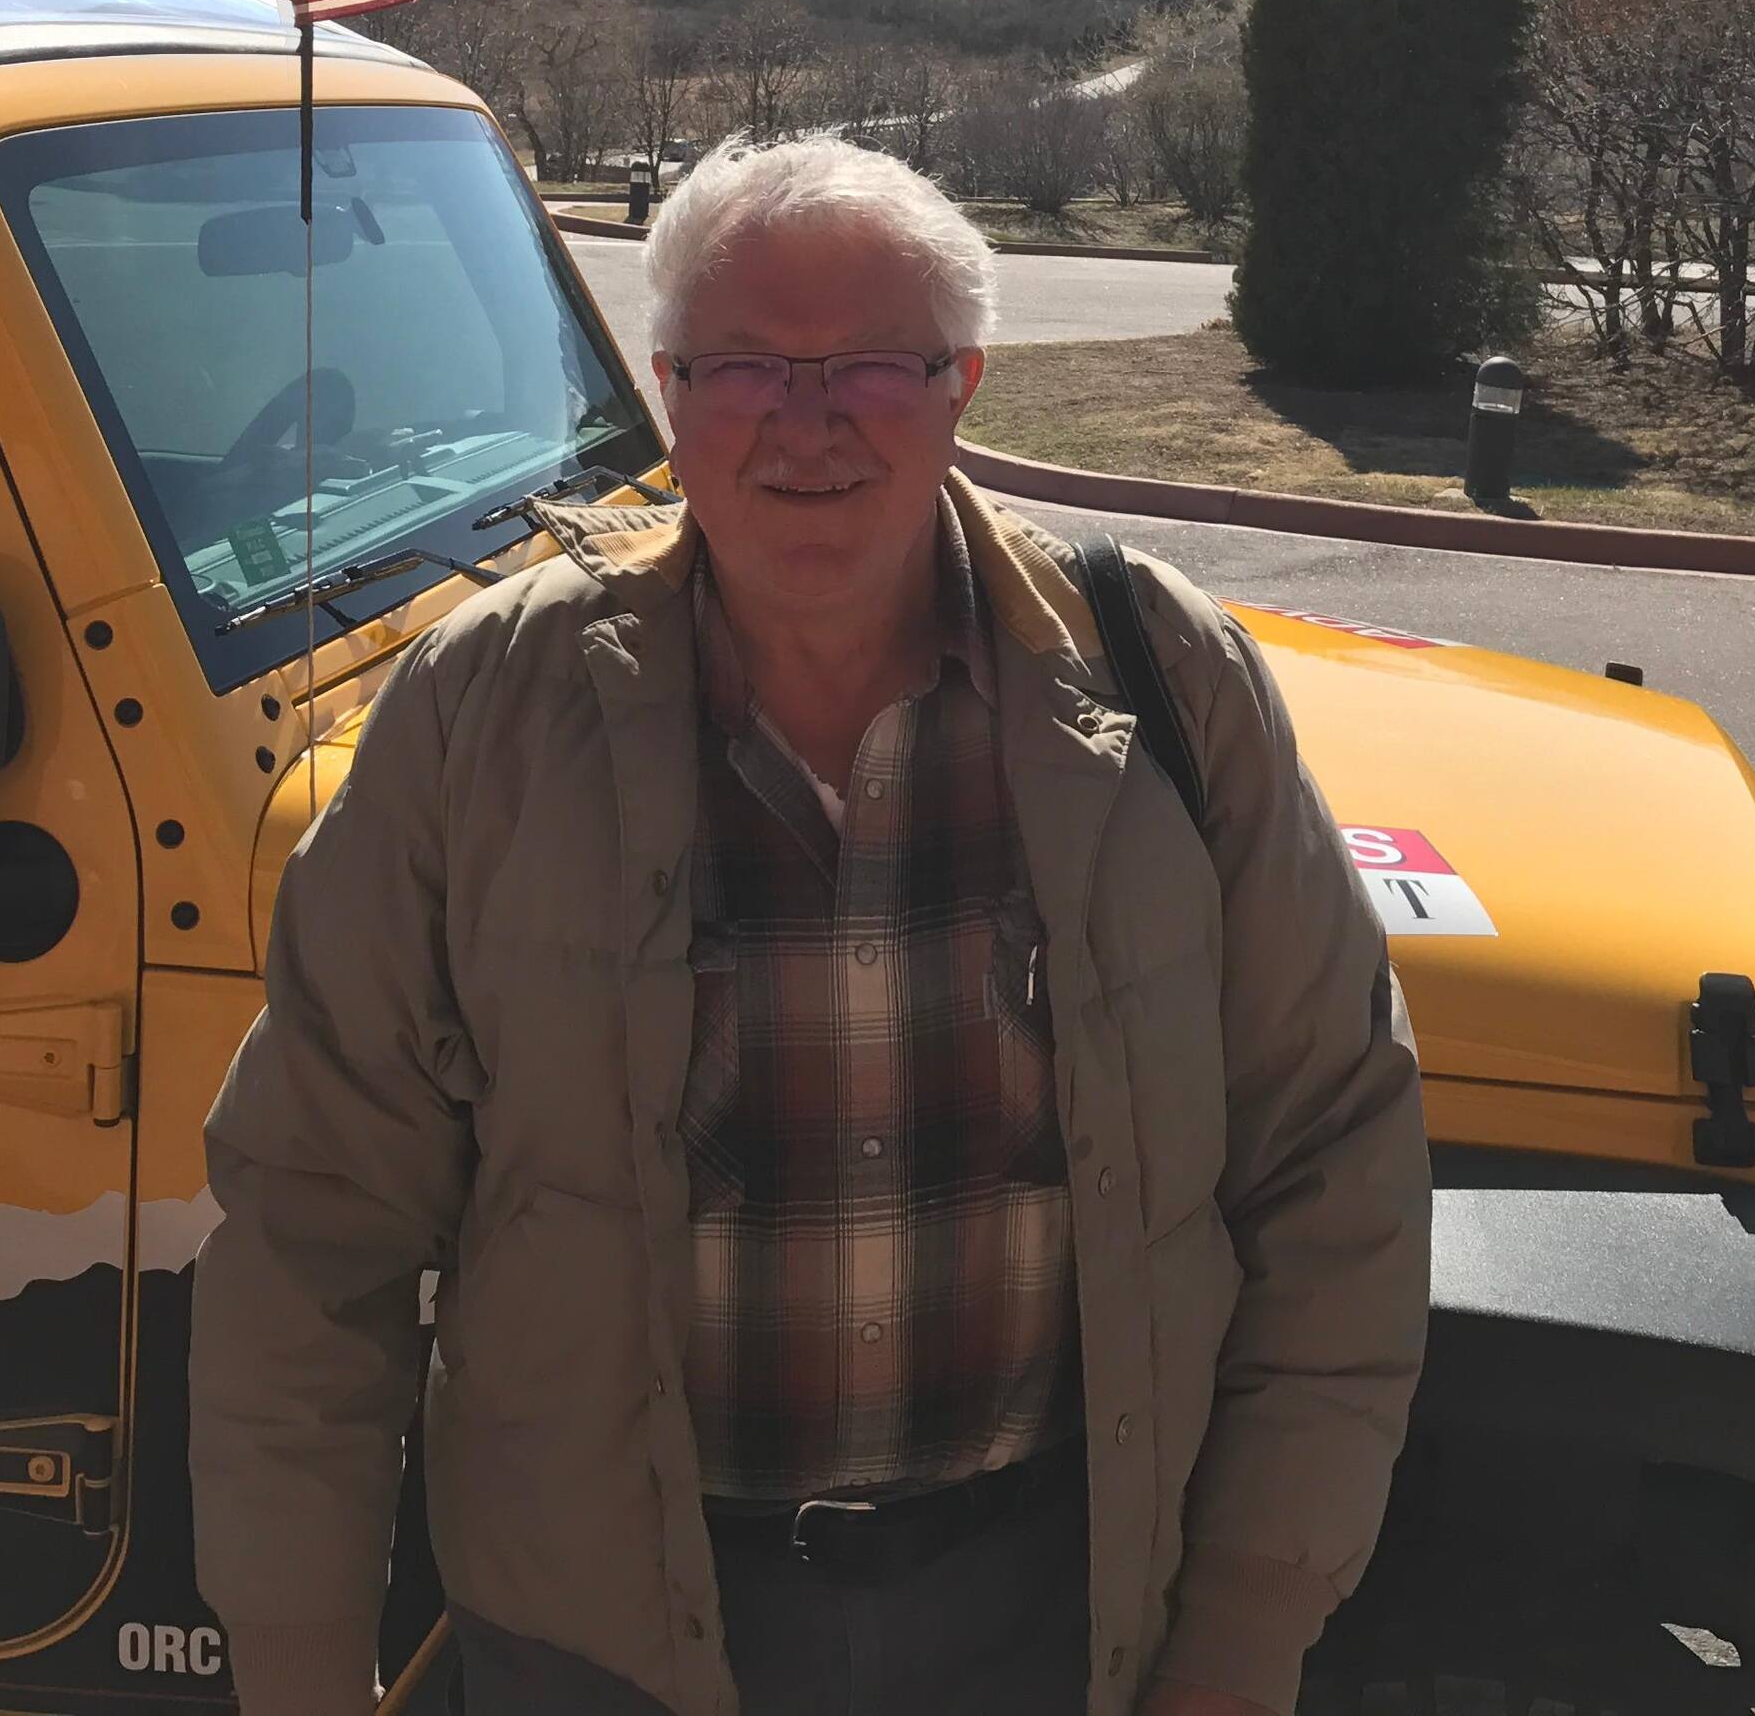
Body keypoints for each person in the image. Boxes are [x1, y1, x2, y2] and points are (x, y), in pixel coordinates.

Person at [192, 132, 1428, 1716]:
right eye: (747, 370)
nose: (807, 424)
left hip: (1058, 1619)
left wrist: (1247, 1631)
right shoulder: (487, 711)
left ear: (966, 381)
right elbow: (314, 1224)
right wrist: (299, 1664)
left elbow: (1336, 1163)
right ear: (669, 389)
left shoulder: (1158, 680)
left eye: (870, 368)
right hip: (600, 1639)